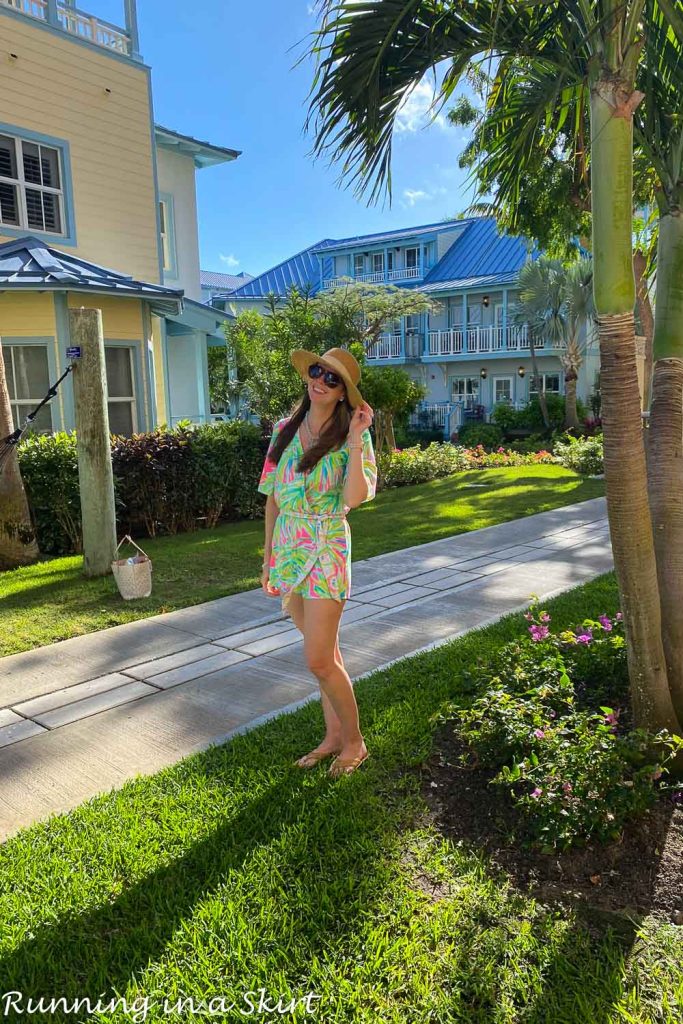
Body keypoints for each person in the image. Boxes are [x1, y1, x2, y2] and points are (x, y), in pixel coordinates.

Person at [257, 347, 377, 778]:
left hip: (326, 545)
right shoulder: (282, 431)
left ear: (344, 392)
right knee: (328, 655)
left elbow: (353, 498)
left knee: (319, 660)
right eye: (316, 372)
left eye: (332, 379)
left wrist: (354, 441)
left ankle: (356, 742)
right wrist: (268, 557)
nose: (320, 382)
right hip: (289, 548)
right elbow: (273, 498)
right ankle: (333, 738)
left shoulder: (353, 436)